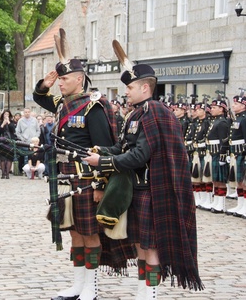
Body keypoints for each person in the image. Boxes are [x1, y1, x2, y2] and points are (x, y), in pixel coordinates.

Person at [83, 63, 203, 298]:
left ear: (145, 87)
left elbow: (140, 155)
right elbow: (122, 147)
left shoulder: (154, 112)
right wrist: (100, 151)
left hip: (151, 190)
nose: (125, 92)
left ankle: (150, 295)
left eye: (129, 87)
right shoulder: (136, 113)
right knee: (140, 244)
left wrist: (103, 163)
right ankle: (143, 293)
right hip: (134, 190)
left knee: (151, 247)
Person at [34, 58, 135, 300]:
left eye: (64, 79)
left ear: (79, 79)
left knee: (90, 234)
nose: (60, 83)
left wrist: (101, 184)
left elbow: (104, 148)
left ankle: (91, 287)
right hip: (65, 176)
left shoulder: (93, 107)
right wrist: (43, 85)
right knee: (74, 232)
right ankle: (78, 285)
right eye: (58, 79)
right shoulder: (63, 104)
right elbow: (40, 98)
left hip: (87, 178)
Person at [226, 96, 246, 217]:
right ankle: (240, 204)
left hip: (243, 153)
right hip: (236, 153)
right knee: (239, 181)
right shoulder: (237, 118)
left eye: (236, 104)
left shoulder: (244, 119)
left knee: (244, 182)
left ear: (243, 106)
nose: (233, 106)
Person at [15, 108, 40, 174]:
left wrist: (36, 137)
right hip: (25, 141)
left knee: (34, 156)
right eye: (26, 112)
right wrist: (22, 138)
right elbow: (17, 132)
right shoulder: (20, 121)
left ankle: (34, 171)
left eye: (28, 112)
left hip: (34, 142)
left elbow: (38, 130)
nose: (27, 113)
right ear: (23, 113)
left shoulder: (34, 120)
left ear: (30, 112)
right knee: (25, 156)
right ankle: (26, 171)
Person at [0, 109, 16, 179]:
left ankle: (7, 174)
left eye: (7, 114)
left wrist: (9, 122)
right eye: (5, 114)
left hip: (10, 141)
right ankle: (3, 173)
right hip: (2, 141)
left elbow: (13, 130)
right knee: (2, 158)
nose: (6, 115)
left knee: (9, 158)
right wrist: (3, 124)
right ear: (3, 115)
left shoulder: (12, 122)